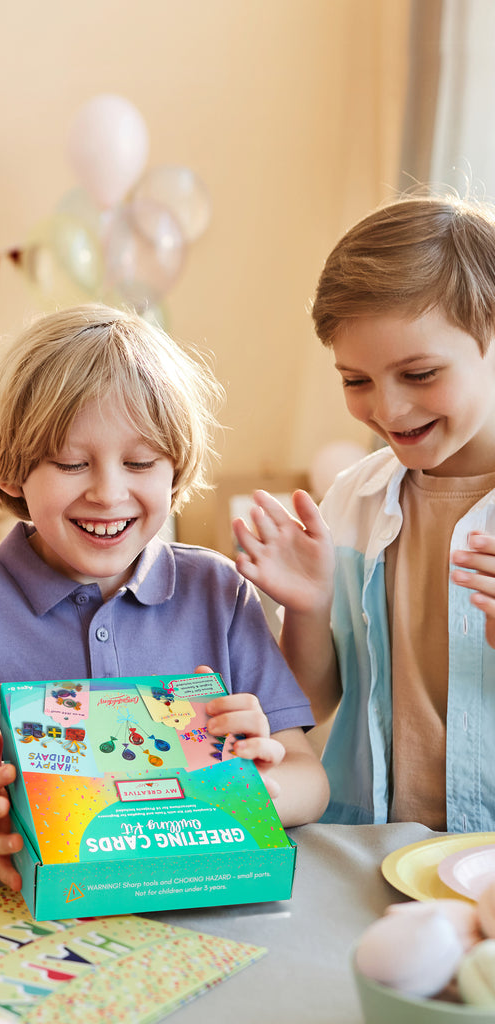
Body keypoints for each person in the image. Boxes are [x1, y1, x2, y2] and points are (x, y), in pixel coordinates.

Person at [0, 304, 330, 889]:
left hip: (199, 908)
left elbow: (309, 778)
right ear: (10, 471)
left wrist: (261, 786)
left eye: (141, 462)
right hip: (23, 922)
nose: (108, 492)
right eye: (71, 463)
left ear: (175, 471)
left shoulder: (219, 593)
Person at [232, 193, 495, 832]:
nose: (391, 410)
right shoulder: (353, 501)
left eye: (421, 373)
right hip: (373, 845)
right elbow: (314, 700)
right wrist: (311, 605)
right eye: (356, 381)